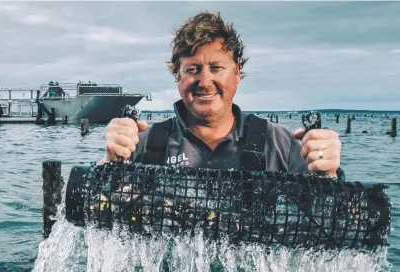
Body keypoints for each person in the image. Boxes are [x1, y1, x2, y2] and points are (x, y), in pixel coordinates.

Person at [102, 12, 342, 178]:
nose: (205, 82)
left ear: (237, 72)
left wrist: (328, 173)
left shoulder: (283, 147)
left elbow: (339, 221)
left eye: (216, 68)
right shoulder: (142, 146)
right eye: (192, 70)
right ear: (178, 76)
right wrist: (110, 162)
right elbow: (96, 211)